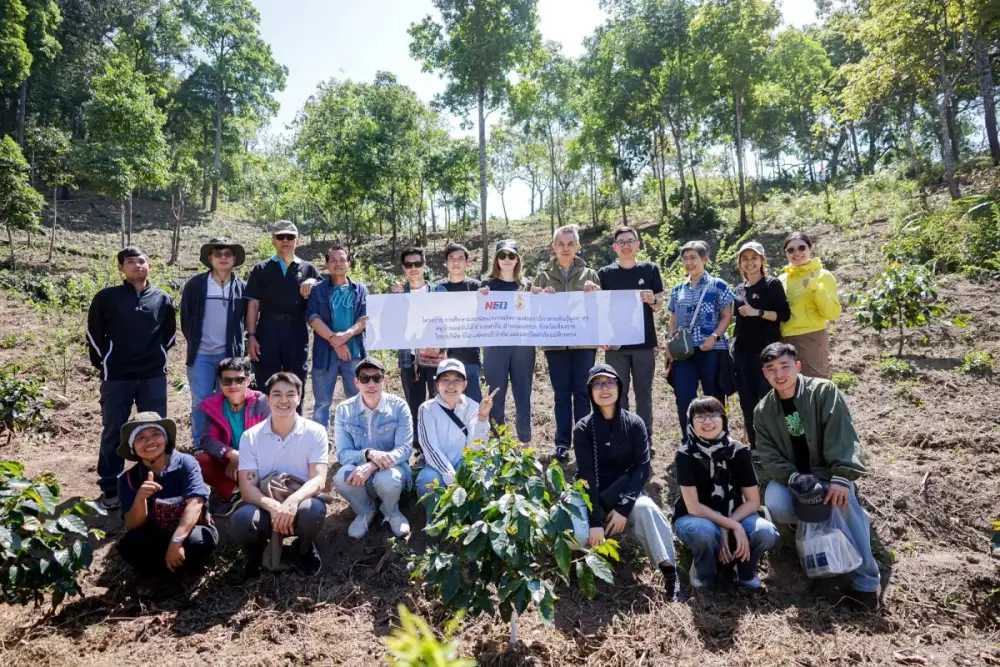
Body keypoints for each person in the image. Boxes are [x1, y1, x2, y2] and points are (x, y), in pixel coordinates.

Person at [755, 342, 880, 610]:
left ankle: (866, 584)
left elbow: (842, 434)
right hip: (795, 478)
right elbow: (768, 455)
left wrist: (841, 477)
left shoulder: (823, 392)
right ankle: (818, 563)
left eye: (784, 366)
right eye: (771, 369)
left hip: (829, 473)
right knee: (776, 503)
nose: (779, 375)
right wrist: (794, 478)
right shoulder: (764, 410)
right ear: (764, 374)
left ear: (798, 366)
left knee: (842, 505)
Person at [569, 364, 680, 601]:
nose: (604, 389)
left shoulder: (635, 423)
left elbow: (642, 468)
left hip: (624, 491)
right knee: (577, 534)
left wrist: (623, 507)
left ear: (619, 387)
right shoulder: (583, 428)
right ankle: (582, 566)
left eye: (609, 382)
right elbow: (587, 474)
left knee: (648, 509)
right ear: (590, 391)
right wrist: (595, 520)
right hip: (589, 492)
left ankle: (671, 573)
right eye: (597, 384)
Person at [87, 246, 176, 509]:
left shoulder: (161, 298)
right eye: (130, 262)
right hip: (117, 376)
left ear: (149, 266)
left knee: (156, 429)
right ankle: (110, 484)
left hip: (152, 375)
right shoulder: (107, 297)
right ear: (121, 268)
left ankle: (154, 478)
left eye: (142, 261)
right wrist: (105, 362)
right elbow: (94, 334)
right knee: (114, 429)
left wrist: (158, 354)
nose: (137, 265)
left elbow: (169, 334)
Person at [673, 396, 779, 589]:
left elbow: (753, 502)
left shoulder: (739, 452)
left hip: (736, 514)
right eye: (700, 416)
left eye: (714, 415)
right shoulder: (685, 454)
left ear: (724, 419)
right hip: (695, 517)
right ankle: (705, 573)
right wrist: (731, 526)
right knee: (703, 531)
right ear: (690, 421)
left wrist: (728, 526)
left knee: (765, 532)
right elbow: (693, 507)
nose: (708, 421)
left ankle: (744, 570)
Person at [231, 372, 329, 576]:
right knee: (242, 521)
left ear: (299, 398)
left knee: (312, 511)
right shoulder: (251, 436)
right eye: (277, 394)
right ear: (268, 399)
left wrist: (292, 502)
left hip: (300, 501)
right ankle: (255, 554)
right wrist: (274, 506)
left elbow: (318, 479)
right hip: (266, 504)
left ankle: (303, 548)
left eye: (290, 394)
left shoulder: (315, 431)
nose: (283, 401)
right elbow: (247, 488)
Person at [115, 412, 218, 577]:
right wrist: (140, 498)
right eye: (140, 438)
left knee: (198, 541)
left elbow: (195, 503)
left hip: (188, 531)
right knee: (130, 545)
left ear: (166, 438)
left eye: (156, 434)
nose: (150, 441)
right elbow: (133, 524)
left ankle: (186, 572)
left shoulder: (186, 463)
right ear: (132, 447)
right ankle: (163, 576)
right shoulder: (128, 478)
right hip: (157, 534)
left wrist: (176, 541)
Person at [532, 224, 601, 461]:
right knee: (561, 394)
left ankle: (584, 440)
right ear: (553, 247)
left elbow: (599, 309)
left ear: (578, 247)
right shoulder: (542, 276)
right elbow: (533, 310)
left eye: (570, 243)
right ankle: (562, 444)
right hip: (555, 344)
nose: (565, 248)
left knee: (583, 392)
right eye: (561, 243)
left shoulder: (590, 275)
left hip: (584, 344)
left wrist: (595, 293)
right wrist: (538, 297)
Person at [332, 357, 413, 538]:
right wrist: (368, 454)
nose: (371, 384)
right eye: (364, 379)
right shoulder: (344, 410)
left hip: (393, 469)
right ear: (356, 382)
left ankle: (391, 511)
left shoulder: (399, 407)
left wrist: (372, 465)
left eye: (376, 378)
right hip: (360, 468)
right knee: (340, 478)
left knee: (387, 480)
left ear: (384, 381)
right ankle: (365, 511)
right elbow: (343, 454)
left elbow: (405, 449)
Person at [244, 221, 320, 413]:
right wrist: (251, 335)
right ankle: (265, 429)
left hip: (297, 330)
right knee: (265, 382)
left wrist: (312, 282)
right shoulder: (261, 269)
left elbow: (323, 291)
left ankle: (296, 429)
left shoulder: (308, 269)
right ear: (273, 241)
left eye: (290, 237)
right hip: (267, 330)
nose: (285, 241)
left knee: (297, 380)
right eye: (280, 237)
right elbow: (253, 304)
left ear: (297, 241)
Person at [597, 226, 664, 440]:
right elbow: (598, 308)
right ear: (614, 247)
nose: (626, 245)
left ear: (637, 244)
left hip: (643, 342)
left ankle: (645, 435)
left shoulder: (650, 269)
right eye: (621, 242)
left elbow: (659, 304)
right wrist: (601, 335)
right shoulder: (605, 274)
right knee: (619, 391)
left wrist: (653, 299)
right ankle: (622, 434)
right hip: (615, 345)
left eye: (630, 241)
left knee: (643, 391)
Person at [181, 238, 247, 446]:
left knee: (229, 400)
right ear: (210, 258)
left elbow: (247, 320)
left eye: (228, 254)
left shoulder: (241, 287)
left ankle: (224, 444)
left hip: (229, 356)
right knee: (200, 401)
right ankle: (200, 445)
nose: (223, 258)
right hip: (200, 354)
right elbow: (185, 319)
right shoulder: (196, 285)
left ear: (234, 259)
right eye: (218, 254)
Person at [665, 240, 734, 435]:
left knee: (714, 396)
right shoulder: (678, 289)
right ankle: (690, 440)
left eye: (693, 257)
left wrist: (714, 337)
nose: (689, 262)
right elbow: (673, 320)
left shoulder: (718, 285)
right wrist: (669, 345)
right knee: (684, 397)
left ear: (705, 259)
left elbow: (727, 316)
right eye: (685, 258)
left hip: (711, 349)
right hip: (683, 353)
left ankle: (719, 438)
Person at [415, 359, 496, 515]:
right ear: (437, 384)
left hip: (462, 463)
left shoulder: (473, 406)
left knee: (477, 478)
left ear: (464, 384)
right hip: (436, 465)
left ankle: (466, 516)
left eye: (456, 380)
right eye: (445, 380)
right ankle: (435, 516)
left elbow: (476, 447)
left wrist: (483, 417)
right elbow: (430, 447)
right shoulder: (427, 409)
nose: (451, 385)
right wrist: (451, 477)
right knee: (427, 482)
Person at [731, 242, 790, 447]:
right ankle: (756, 447)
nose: (749, 263)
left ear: (762, 260)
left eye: (754, 258)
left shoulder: (771, 284)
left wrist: (757, 312)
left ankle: (778, 445)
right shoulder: (739, 289)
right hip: (742, 353)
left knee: (769, 399)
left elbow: (784, 315)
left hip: (766, 353)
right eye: (745, 259)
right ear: (740, 262)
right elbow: (738, 323)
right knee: (747, 402)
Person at [193, 357, 270, 513]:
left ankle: (251, 492)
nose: (233, 385)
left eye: (239, 380)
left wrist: (242, 458)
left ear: (248, 381)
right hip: (229, 463)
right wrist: (230, 454)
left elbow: (270, 439)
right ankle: (234, 493)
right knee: (198, 462)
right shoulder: (215, 406)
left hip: (259, 463)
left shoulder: (262, 403)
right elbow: (207, 440)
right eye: (227, 381)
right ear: (220, 384)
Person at [478, 239, 535, 446]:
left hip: (523, 346)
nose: (507, 259)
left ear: (518, 258)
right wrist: (480, 298)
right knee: (495, 396)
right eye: (502, 255)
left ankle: (525, 441)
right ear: (496, 259)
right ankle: (497, 442)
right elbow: (477, 314)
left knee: (523, 393)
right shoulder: (487, 286)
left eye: (511, 255)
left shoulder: (527, 285)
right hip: (495, 347)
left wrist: (541, 296)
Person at [306, 245, 369, 430]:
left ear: (349, 263)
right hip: (325, 355)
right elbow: (313, 318)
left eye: (342, 260)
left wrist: (346, 335)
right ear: (326, 265)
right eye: (333, 260)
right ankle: (321, 445)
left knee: (358, 402)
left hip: (355, 353)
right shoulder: (318, 290)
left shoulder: (360, 289)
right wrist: (336, 341)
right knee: (322, 404)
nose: (338, 264)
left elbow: (364, 320)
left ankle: (357, 441)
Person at [392, 247, 445, 455]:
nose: (413, 268)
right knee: (414, 404)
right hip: (409, 358)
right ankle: (420, 448)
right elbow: (389, 323)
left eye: (417, 264)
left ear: (424, 265)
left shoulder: (439, 292)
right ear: (403, 268)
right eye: (408, 264)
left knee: (436, 403)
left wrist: (441, 345)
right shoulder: (397, 293)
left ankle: (436, 446)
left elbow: (449, 322)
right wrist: (393, 299)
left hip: (435, 358)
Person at [778, 231, 842, 379]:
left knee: (816, 388)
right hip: (785, 341)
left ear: (810, 249)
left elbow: (833, 313)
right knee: (791, 389)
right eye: (791, 250)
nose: (797, 253)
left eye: (801, 247)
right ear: (785, 253)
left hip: (813, 339)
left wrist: (816, 289)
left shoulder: (823, 275)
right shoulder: (781, 279)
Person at [434, 243, 483, 402]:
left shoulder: (477, 287)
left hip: (470, 357)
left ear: (468, 262)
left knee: (473, 405)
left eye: (460, 258)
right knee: (446, 407)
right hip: (443, 358)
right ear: (446, 263)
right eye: (452, 259)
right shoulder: (437, 289)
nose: (456, 262)